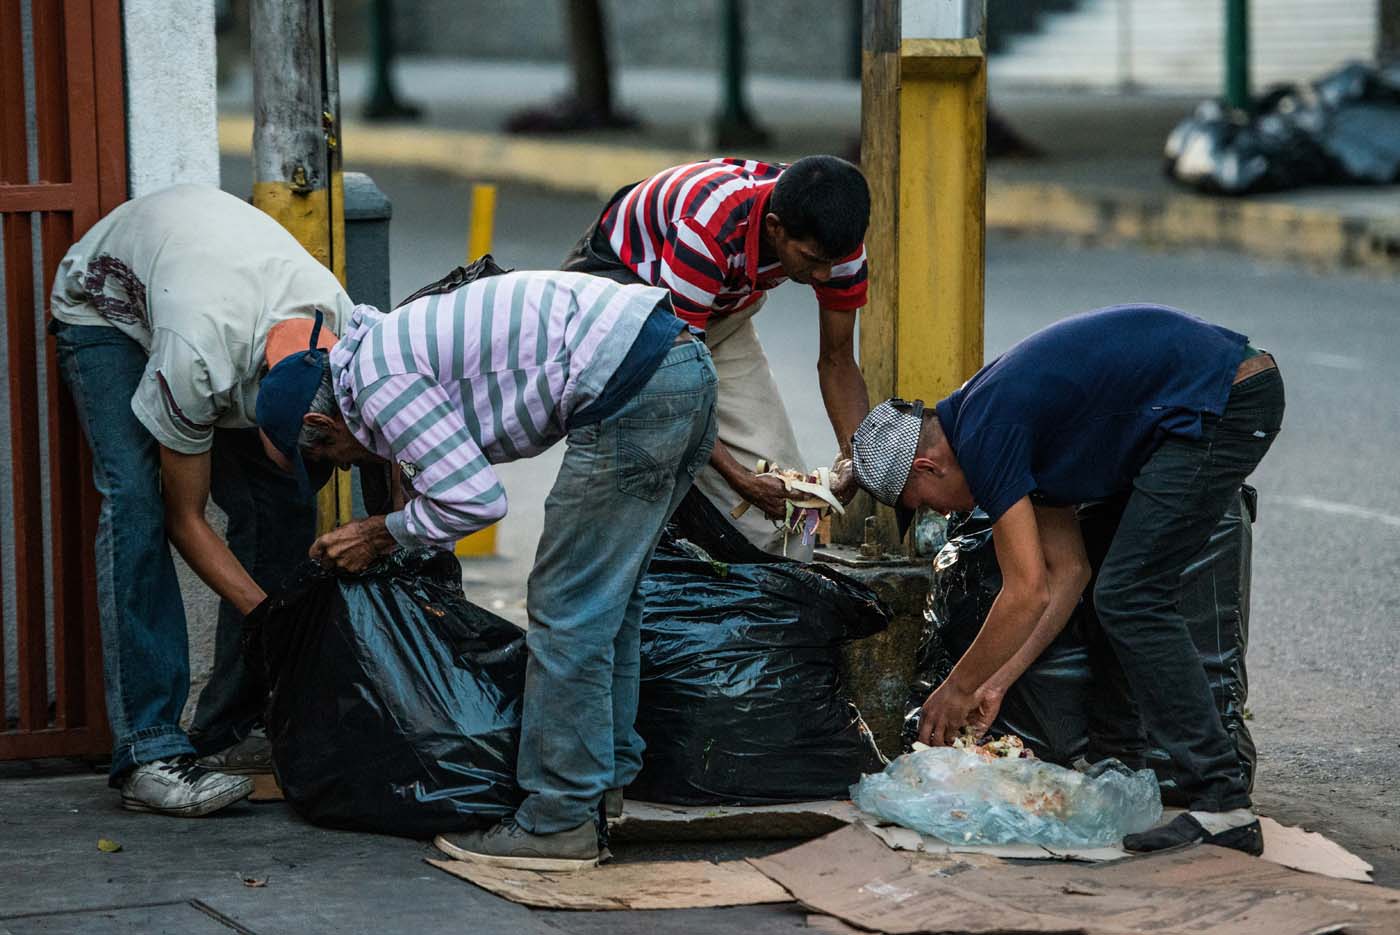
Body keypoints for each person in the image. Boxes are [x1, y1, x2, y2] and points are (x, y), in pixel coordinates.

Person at [256, 269, 717, 869]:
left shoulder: (378, 382)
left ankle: (559, 821)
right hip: (683, 367)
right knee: (610, 600)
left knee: (566, 609)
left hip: (637, 387)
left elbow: (475, 500)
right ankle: (602, 786)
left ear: (321, 424)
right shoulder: (378, 352)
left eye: (332, 459)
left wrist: (380, 534)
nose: (344, 469)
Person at [848, 304, 1285, 855]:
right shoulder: (993, 424)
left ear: (927, 467)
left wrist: (956, 690)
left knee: (1132, 597)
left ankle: (1223, 802)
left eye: (924, 506)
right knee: (1112, 585)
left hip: (1226, 398)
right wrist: (996, 681)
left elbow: (1025, 590)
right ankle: (1122, 765)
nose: (939, 515)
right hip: (1200, 403)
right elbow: (1067, 574)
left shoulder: (987, 429)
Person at [49, 184, 353, 816]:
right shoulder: (198, 360)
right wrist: (274, 617)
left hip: (209, 293)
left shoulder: (343, 331)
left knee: (282, 505)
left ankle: (229, 733)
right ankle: (150, 751)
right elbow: (186, 520)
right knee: (136, 502)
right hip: (105, 310)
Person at [563, 155, 871, 559]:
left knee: (792, 515)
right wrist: (741, 480)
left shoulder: (835, 243)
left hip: (712, 317)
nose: (825, 275)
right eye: (812, 261)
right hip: (627, 311)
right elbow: (677, 379)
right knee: (641, 481)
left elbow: (838, 361)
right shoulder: (707, 225)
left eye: (832, 262)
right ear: (775, 228)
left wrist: (856, 458)